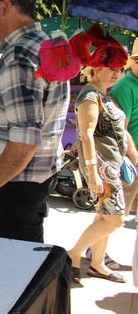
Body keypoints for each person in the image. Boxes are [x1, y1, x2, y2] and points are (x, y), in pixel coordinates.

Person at [0, 0, 70, 243]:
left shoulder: (19, 55)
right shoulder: (45, 46)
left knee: (17, 273)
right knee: (27, 264)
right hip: (28, 183)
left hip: (10, 187)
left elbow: (25, 141)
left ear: (4, 6)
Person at [67, 38, 131, 284]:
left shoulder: (103, 93)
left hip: (110, 165)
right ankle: (74, 253)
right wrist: (93, 173)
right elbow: (86, 134)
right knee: (116, 219)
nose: (116, 73)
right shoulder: (90, 95)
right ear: (96, 67)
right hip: (102, 167)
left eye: (119, 69)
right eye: (111, 68)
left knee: (104, 217)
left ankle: (97, 263)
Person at [110, 44, 138, 216]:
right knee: (115, 220)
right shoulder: (125, 87)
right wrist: (135, 158)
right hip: (131, 164)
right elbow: (121, 128)